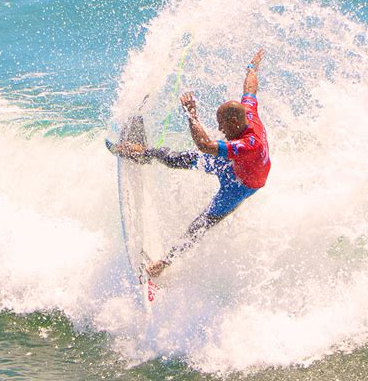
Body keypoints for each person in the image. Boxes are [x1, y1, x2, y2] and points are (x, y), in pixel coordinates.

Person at [113, 48, 270, 277]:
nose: (220, 129)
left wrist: (192, 116)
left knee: (201, 224)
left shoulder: (248, 144)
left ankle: (162, 265)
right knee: (180, 158)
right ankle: (142, 153)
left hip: (240, 185)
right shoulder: (248, 112)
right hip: (234, 165)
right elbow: (249, 88)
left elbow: (205, 145)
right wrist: (252, 67)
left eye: (222, 125)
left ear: (235, 122)